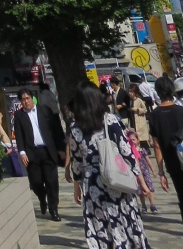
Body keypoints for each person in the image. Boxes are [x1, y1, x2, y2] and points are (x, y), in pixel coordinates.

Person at [68, 81, 152, 249]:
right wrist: (141, 181)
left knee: (100, 225)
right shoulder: (110, 120)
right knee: (124, 220)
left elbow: (76, 162)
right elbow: (126, 152)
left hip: (92, 183)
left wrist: (77, 187)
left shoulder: (75, 128)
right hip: (116, 177)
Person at [148, 75, 183, 249]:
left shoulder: (154, 116)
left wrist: (161, 172)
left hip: (173, 165)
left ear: (158, 93)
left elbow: (156, 145)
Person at [14, 88, 66, 221]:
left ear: (32, 99)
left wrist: (60, 148)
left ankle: (53, 209)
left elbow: (56, 130)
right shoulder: (19, 115)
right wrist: (22, 152)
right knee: (35, 182)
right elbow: (19, 135)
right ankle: (42, 197)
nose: (26, 102)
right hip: (32, 153)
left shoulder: (44, 111)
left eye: (27, 98)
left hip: (48, 151)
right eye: (23, 100)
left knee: (51, 181)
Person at [130, 84, 151, 152]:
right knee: (138, 137)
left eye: (131, 92)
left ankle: (146, 150)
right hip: (134, 121)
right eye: (129, 91)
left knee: (141, 137)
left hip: (140, 121)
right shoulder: (130, 101)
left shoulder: (139, 100)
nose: (130, 93)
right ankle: (143, 150)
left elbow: (145, 110)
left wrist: (137, 109)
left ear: (135, 93)